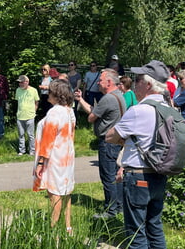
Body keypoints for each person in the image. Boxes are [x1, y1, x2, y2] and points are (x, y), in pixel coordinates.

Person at [105, 60, 172, 249]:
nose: (134, 84)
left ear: (146, 84)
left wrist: (125, 136)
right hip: (159, 175)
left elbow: (112, 136)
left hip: (138, 176)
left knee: (136, 232)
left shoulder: (140, 110)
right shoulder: (169, 109)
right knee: (155, 225)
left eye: (137, 80)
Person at [75, 68, 126, 219]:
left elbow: (91, 117)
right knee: (117, 175)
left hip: (108, 143)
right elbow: (96, 112)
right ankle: (119, 206)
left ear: (109, 82)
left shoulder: (108, 98)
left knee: (108, 176)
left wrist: (85, 106)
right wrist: (81, 100)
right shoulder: (118, 96)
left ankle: (110, 210)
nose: (98, 83)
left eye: (100, 80)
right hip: (118, 141)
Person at [33, 79, 76, 232]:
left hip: (55, 159)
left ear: (57, 95)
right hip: (67, 157)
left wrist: (40, 163)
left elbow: (47, 140)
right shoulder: (68, 111)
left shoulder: (54, 113)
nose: (47, 94)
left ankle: (53, 232)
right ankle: (67, 227)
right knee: (66, 192)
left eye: (50, 92)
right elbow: (71, 134)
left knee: (55, 193)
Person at [15, 75, 39, 156]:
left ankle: (32, 151)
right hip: (20, 116)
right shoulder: (18, 90)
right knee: (21, 135)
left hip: (30, 116)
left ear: (27, 82)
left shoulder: (33, 90)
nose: (20, 84)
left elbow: (36, 102)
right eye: (19, 82)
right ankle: (22, 151)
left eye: (22, 82)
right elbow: (18, 101)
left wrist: (34, 112)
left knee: (30, 135)